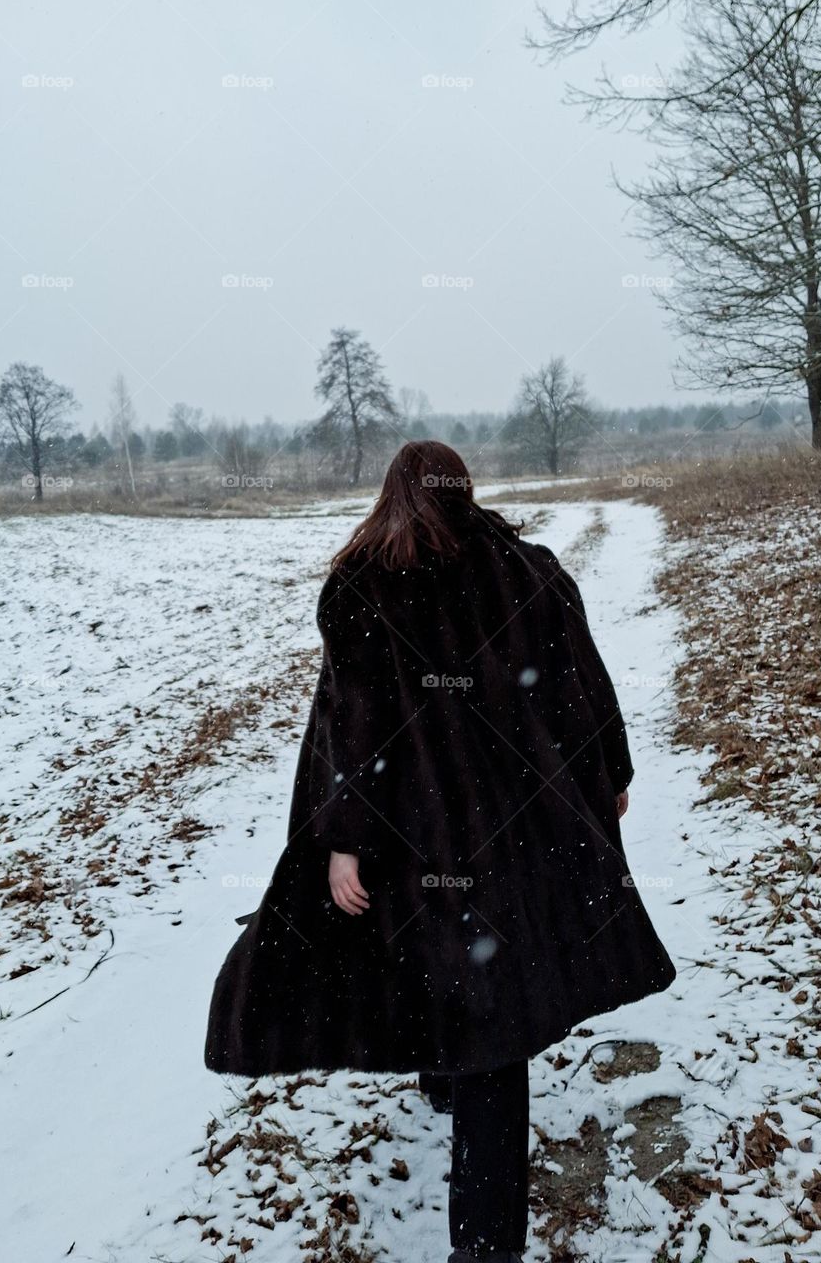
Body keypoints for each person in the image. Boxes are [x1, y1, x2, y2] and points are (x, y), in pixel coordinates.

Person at [205, 440, 676, 1263]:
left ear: (393, 495)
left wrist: (343, 839)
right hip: (516, 832)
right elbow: (579, 688)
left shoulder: (364, 583)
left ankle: (484, 1245)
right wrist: (608, 776)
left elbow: (349, 728)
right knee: (487, 1005)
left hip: (415, 833)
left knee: (472, 1012)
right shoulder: (526, 570)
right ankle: (456, 1132)